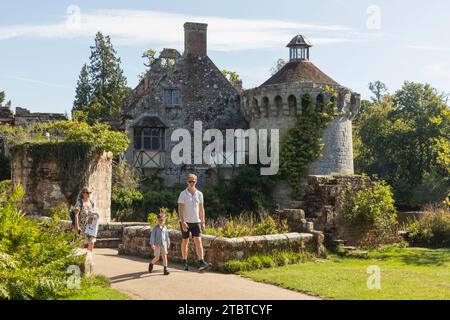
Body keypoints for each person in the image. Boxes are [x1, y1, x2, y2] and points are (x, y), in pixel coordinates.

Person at [177, 174, 212, 272]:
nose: (191, 183)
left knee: (198, 241)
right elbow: (180, 209)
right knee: (185, 242)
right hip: (185, 222)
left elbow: (201, 209)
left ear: (196, 181)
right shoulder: (183, 194)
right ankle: (184, 261)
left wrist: (203, 221)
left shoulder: (200, 194)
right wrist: (183, 221)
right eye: (189, 181)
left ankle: (201, 262)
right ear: (187, 181)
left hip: (196, 221)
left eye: (193, 181)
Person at [73, 187, 97, 252]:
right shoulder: (79, 203)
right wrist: (77, 226)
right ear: (83, 193)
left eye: (89, 192)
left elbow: (93, 213)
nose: (88, 194)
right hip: (82, 227)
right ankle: (80, 260)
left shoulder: (92, 203)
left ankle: (88, 260)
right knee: (81, 244)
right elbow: (76, 215)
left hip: (90, 227)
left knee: (91, 242)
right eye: (87, 192)